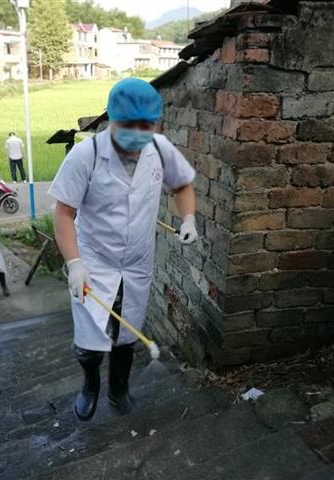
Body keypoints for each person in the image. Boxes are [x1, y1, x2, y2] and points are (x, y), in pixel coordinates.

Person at [49, 78, 198, 421]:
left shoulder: (160, 149)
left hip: (136, 263)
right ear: (112, 120)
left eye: (147, 125)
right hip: (93, 262)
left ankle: (119, 390)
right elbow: (64, 213)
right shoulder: (85, 156)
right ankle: (90, 387)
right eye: (129, 125)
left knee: (126, 333)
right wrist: (74, 262)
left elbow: (182, 186)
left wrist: (188, 218)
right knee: (89, 340)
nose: (138, 133)